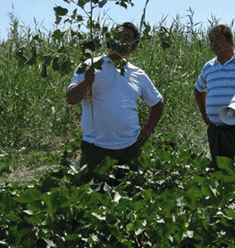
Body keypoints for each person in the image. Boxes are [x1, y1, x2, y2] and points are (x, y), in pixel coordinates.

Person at [66, 23, 164, 180]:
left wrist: (148, 130)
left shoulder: (137, 73)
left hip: (129, 148)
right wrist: (86, 81)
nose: (120, 40)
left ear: (133, 47)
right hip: (94, 147)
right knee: (89, 191)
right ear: (109, 39)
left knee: (130, 191)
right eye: (117, 36)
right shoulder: (90, 65)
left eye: (126, 38)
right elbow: (71, 99)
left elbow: (158, 102)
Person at [194, 25, 235, 167]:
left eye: (218, 39)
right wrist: (205, 115)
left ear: (230, 40)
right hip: (215, 129)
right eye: (211, 40)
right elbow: (198, 89)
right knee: (219, 169)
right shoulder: (209, 67)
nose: (214, 43)